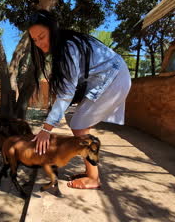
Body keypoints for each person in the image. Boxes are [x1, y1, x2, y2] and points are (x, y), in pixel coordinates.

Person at [28, 10, 132, 190]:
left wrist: (46, 128)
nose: (39, 43)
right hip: (112, 76)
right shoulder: (66, 45)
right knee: (80, 124)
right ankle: (90, 173)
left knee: (79, 124)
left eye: (42, 36)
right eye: (35, 40)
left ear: (53, 30)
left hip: (114, 77)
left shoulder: (68, 47)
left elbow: (66, 94)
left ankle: (93, 178)